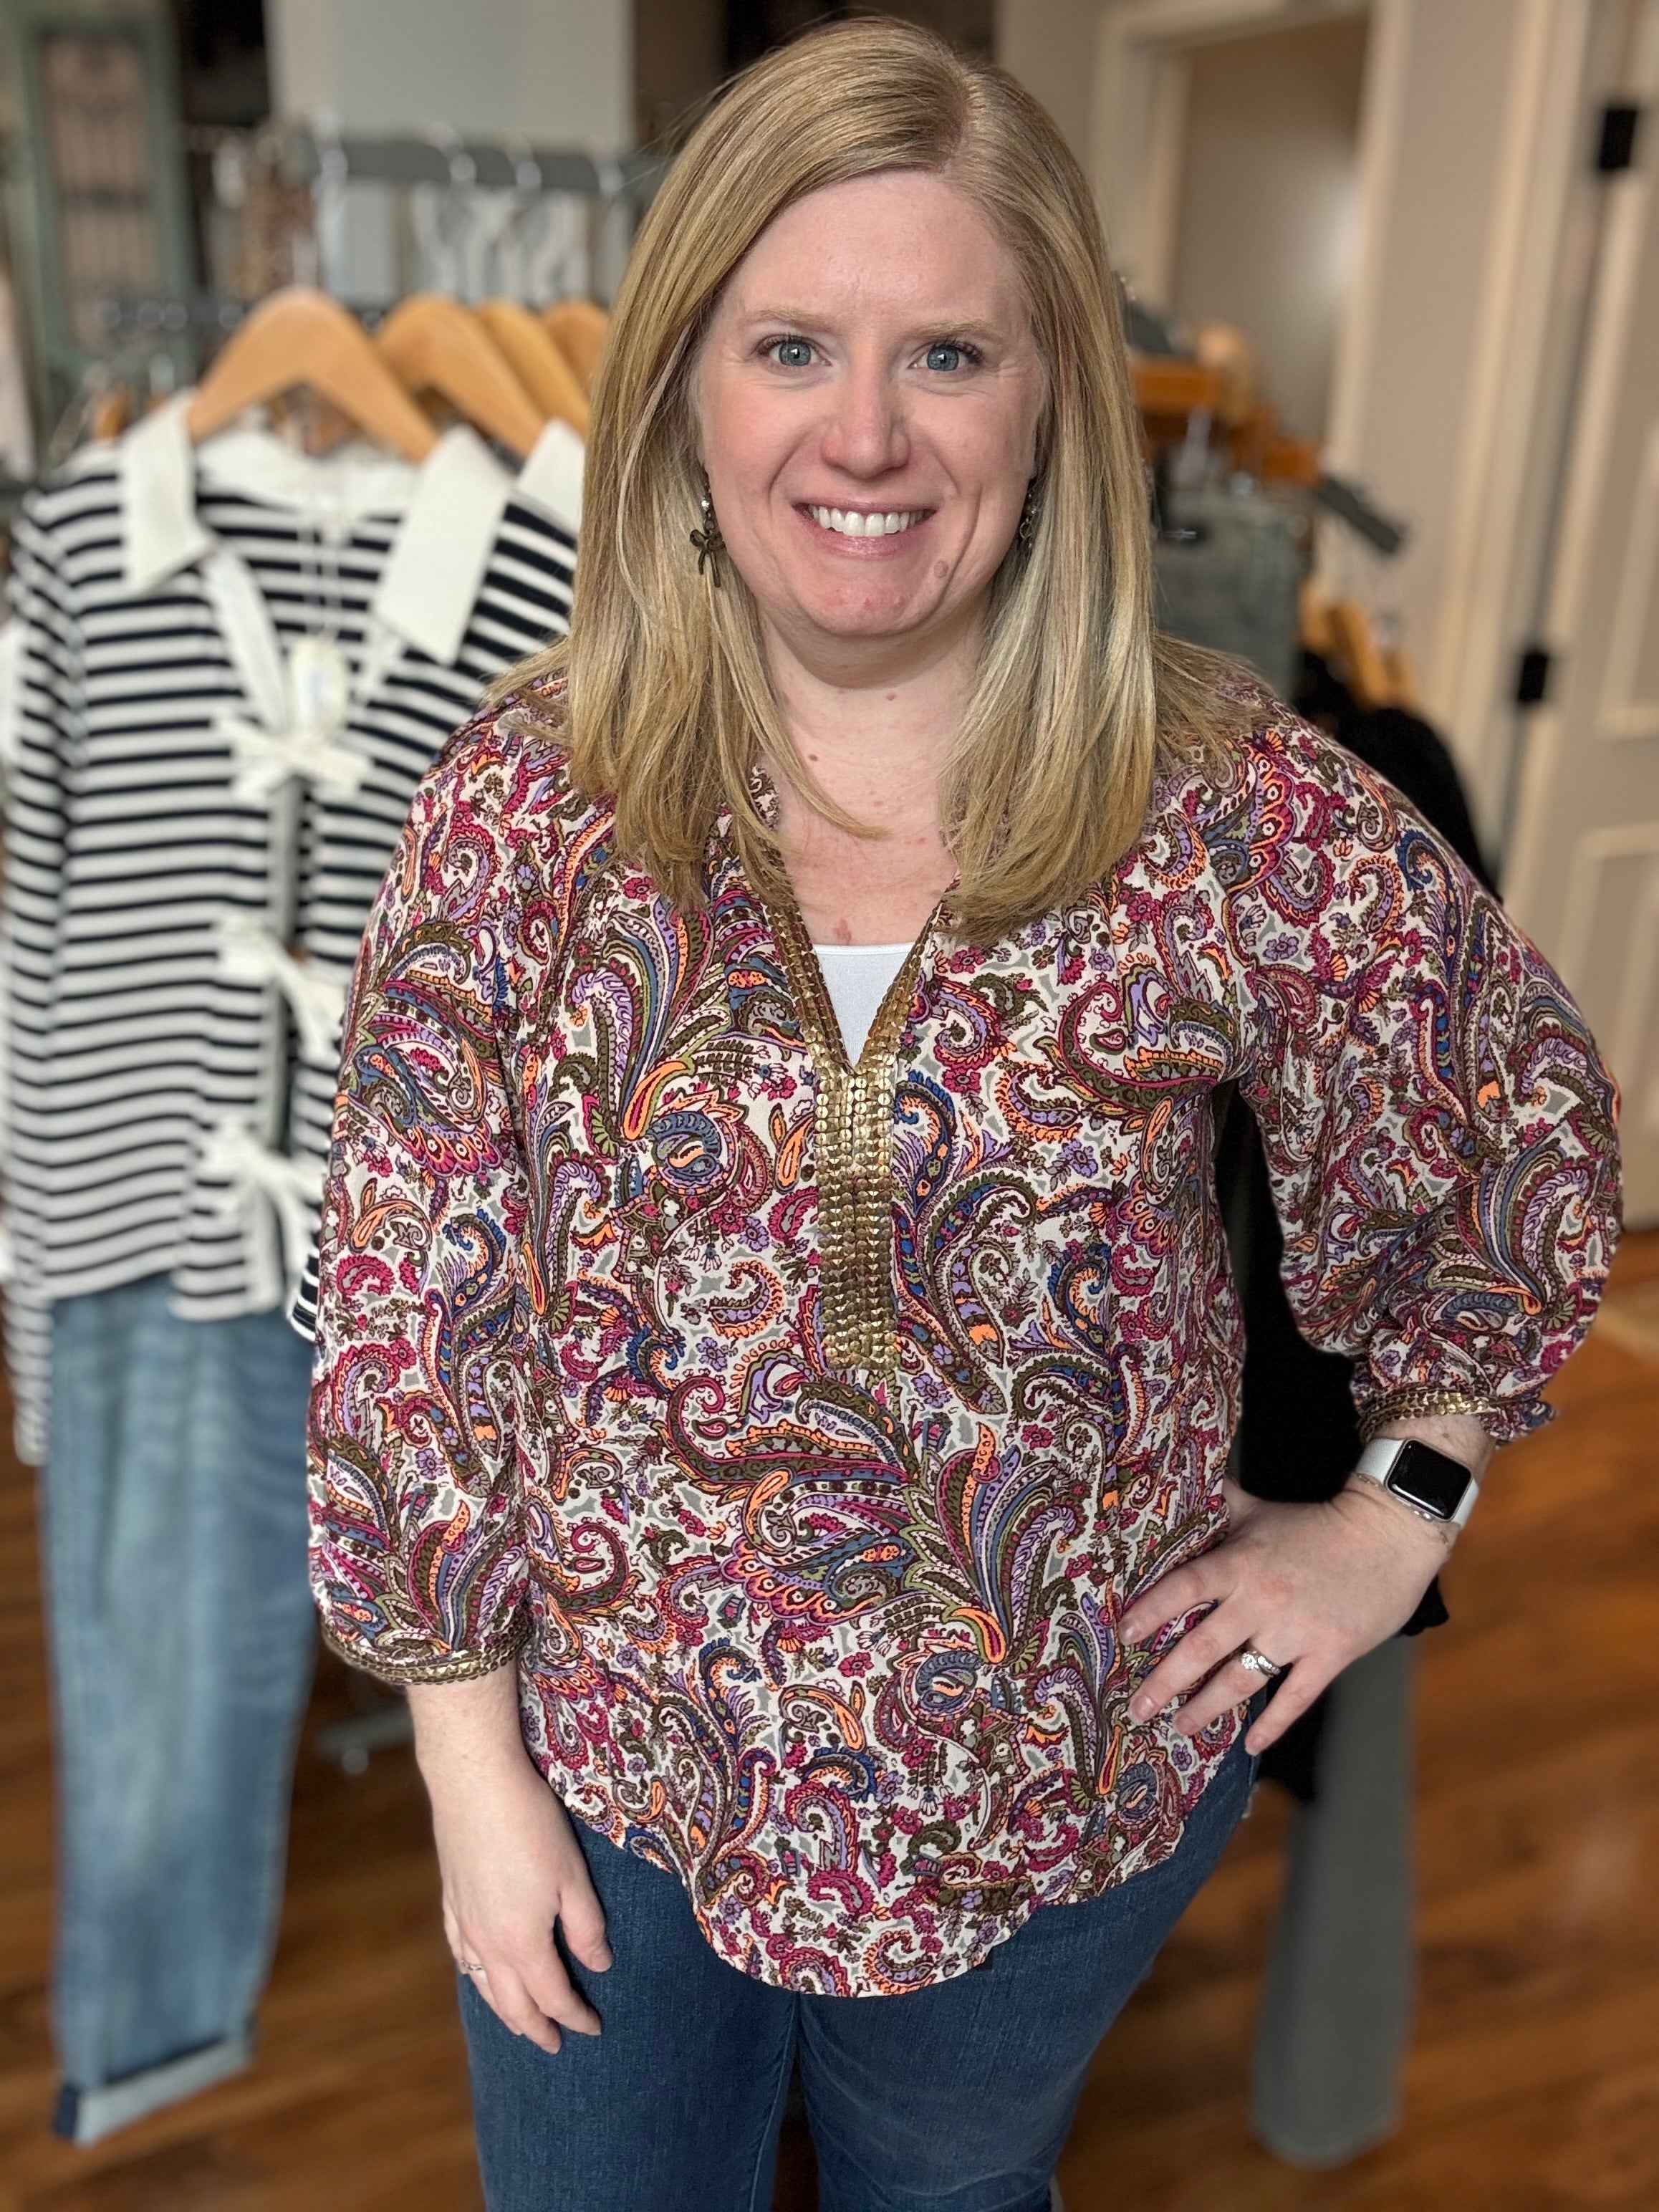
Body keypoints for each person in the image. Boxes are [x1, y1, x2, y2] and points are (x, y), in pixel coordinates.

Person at [305, 23, 1620, 2212]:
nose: (863, 435)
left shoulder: (1223, 805)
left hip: (1060, 1803)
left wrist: (1394, 1515)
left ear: (1049, 404)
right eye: (790, 346)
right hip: (612, 1783)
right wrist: (463, 1764)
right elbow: (406, 1310)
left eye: (946, 354)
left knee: (953, 2195)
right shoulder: (525, 813)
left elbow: (1506, 1122)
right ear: (684, 389)